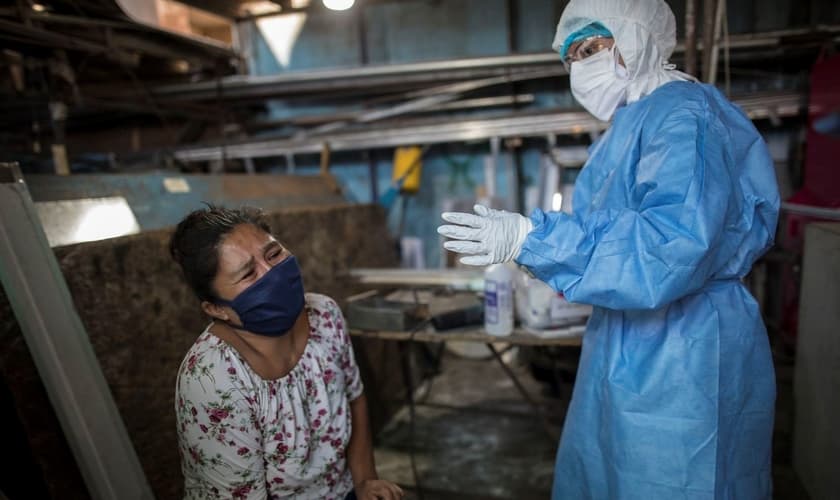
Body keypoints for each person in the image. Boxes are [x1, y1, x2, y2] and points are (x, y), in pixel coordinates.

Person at [437, 0, 780, 498]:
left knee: (679, 479)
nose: (580, 66)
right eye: (571, 56)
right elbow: (611, 232)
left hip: (687, 351)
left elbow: (671, 245)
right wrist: (542, 254)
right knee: (611, 474)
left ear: (636, 39)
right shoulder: (628, 126)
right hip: (628, 339)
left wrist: (533, 238)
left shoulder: (685, 116)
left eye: (593, 47)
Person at [170, 206, 403, 500]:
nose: (272, 274)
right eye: (248, 274)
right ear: (217, 308)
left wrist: (365, 481)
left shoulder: (325, 314)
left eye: (274, 254)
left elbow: (354, 397)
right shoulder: (212, 379)